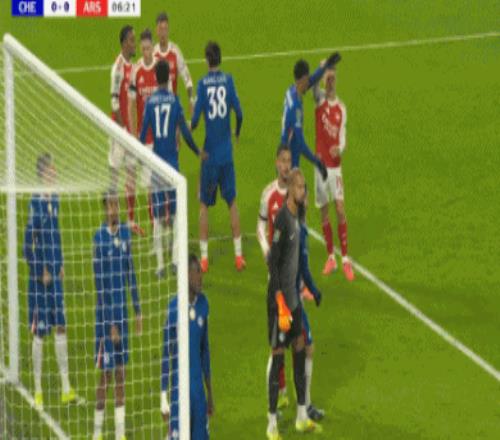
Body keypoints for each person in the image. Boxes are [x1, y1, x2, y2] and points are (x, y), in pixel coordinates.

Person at [266, 168, 321, 439]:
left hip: (294, 302)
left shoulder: (299, 219)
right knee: (278, 359)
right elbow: (273, 262)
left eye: (304, 187)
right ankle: (271, 424)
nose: (303, 191)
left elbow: (300, 263)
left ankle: (301, 417)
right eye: (299, 187)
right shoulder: (282, 220)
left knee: (299, 352)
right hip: (279, 303)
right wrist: (279, 302)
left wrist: (312, 290)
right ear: (290, 190)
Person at [140, 60, 202, 277]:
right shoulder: (175, 101)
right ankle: (175, 261)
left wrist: (139, 155)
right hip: (172, 165)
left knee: (157, 217)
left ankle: (160, 266)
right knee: (175, 215)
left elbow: (142, 135)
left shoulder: (149, 103)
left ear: (155, 78)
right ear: (169, 78)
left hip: (157, 165)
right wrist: (197, 151)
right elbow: (184, 131)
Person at [23, 153, 75, 410]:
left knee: (61, 326)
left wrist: (60, 262)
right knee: (40, 332)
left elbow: (56, 234)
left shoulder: (54, 198)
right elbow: (26, 246)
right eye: (52, 168)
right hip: (40, 283)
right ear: (43, 173)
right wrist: (39, 270)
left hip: (55, 277)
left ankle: (66, 388)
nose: (55, 171)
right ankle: (38, 390)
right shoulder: (36, 203)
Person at [92, 191, 142, 440]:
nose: (114, 209)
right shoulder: (98, 239)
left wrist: (138, 310)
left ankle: (120, 433)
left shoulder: (124, 234)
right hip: (105, 319)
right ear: (105, 209)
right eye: (110, 206)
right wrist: (110, 324)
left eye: (117, 205)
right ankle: (97, 432)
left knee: (121, 373)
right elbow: (100, 286)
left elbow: (130, 273)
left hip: (122, 315)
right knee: (106, 375)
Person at [191, 41, 244, 273]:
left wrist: (189, 127)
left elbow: (195, 120)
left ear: (206, 60)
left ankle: (204, 259)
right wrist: (237, 132)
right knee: (232, 202)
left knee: (204, 204)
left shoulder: (202, 84)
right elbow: (240, 113)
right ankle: (239, 256)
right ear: (220, 58)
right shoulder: (229, 80)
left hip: (210, 156)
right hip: (226, 154)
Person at [161, 254, 214, 440]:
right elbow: (166, 354)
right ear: (186, 275)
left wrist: (210, 393)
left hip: (198, 392)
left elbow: (205, 350)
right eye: (197, 272)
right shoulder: (173, 309)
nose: (201, 277)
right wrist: (163, 396)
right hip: (179, 392)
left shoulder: (203, 304)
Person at [313, 64, 354, 280]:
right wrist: (321, 69)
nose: (330, 83)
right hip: (320, 166)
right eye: (327, 79)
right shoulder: (319, 101)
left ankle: (345, 259)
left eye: (332, 79)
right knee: (324, 211)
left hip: (335, 167)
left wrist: (341, 148)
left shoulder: (341, 108)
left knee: (339, 208)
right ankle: (331, 257)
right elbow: (312, 87)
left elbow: (343, 136)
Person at [280, 53, 341, 176]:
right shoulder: (295, 108)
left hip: (286, 152)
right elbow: (301, 144)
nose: (309, 82)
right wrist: (317, 162)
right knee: (298, 187)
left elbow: (312, 79)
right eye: (307, 79)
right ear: (302, 79)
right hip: (289, 162)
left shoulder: (291, 90)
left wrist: (326, 64)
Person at [108, 25, 144, 236]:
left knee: (131, 175)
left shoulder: (135, 67)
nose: (134, 43)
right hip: (118, 132)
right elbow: (114, 101)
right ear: (123, 43)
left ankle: (130, 221)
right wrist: (122, 128)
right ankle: (112, 222)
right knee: (114, 175)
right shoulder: (118, 67)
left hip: (131, 133)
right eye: (131, 40)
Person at [128, 28, 157, 198]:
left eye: (148, 48)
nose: (146, 52)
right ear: (140, 48)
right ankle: (152, 215)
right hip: (144, 136)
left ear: (153, 47)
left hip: (160, 136)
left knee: (162, 183)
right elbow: (131, 105)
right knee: (148, 185)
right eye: (143, 49)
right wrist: (133, 135)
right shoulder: (136, 70)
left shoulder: (160, 67)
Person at [154, 11, 194, 113]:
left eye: (165, 29)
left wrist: (191, 99)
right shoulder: (153, 54)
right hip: (157, 107)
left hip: (173, 107)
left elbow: (187, 77)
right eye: (160, 29)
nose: (163, 33)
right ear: (156, 31)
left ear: (168, 30)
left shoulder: (175, 51)